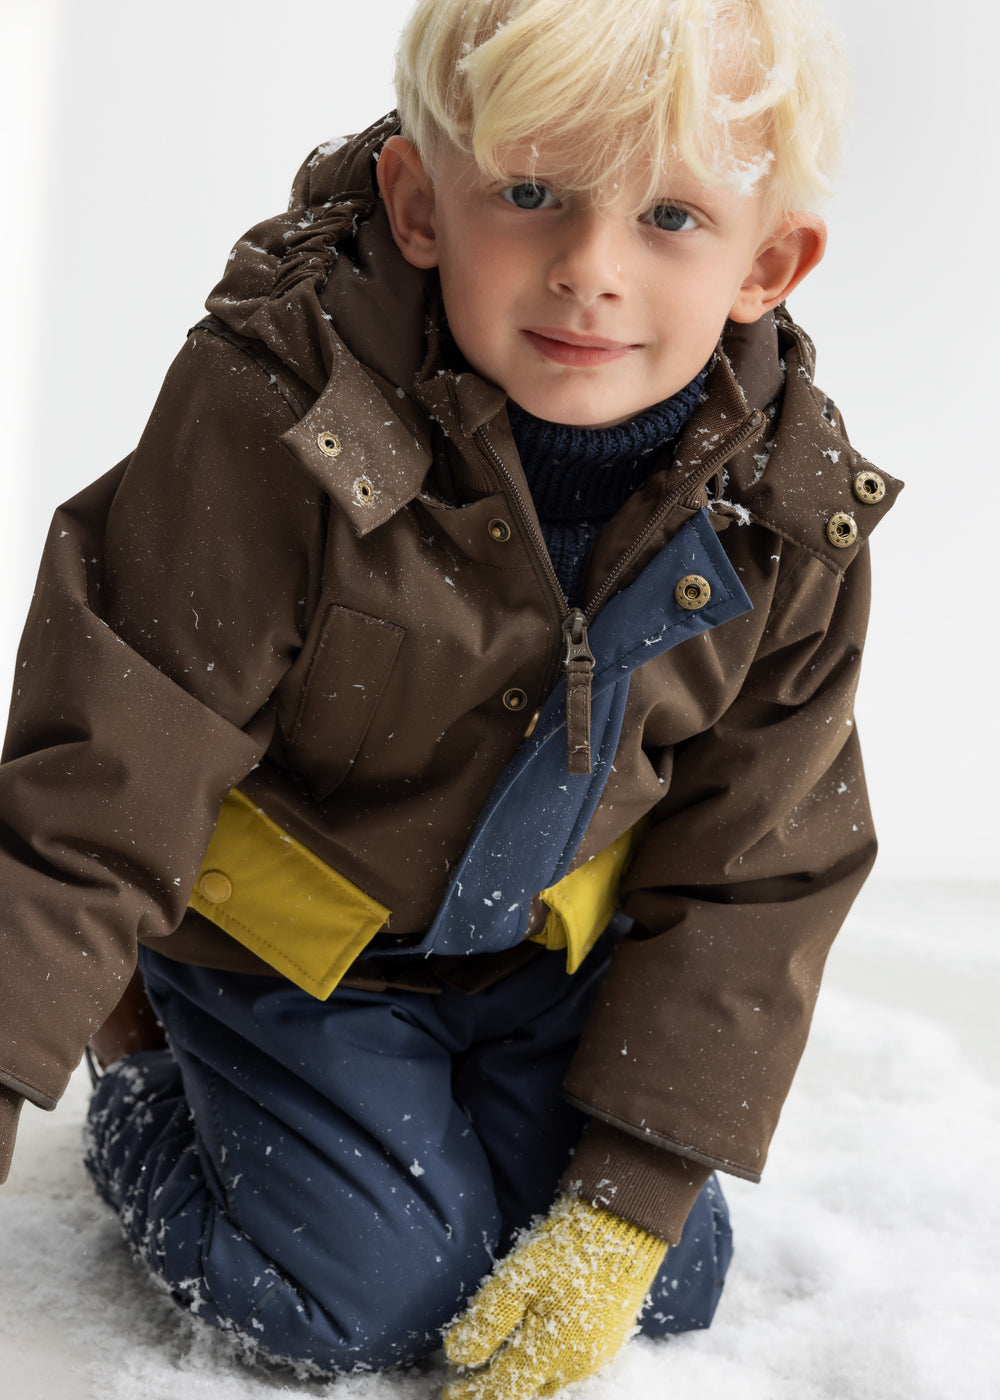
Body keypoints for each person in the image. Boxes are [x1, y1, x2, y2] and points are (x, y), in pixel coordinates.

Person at [0, 0, 902, 1395]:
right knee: (354, 1296)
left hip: (538, 955)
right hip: (292, 951)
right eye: (531, 196)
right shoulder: (280, 415)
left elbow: (759, 862)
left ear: (767, 262)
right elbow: (110, 760)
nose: (589, 270)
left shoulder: (783, 514)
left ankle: (460, 1127)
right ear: (421, 205)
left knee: (669, 1276)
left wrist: (634, 1194)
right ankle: (147, 1062)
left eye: (670, 217)